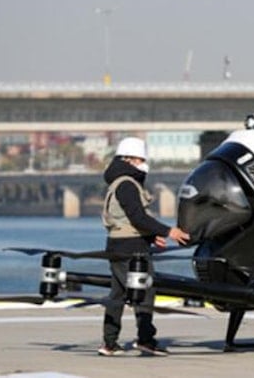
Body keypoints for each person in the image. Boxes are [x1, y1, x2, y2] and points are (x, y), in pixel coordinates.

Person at [98, 137, 190, 357]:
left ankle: (110, 343)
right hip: (131, 248)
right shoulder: (127, 184)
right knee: (144, 291)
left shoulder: (118, 182)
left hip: (118, 245)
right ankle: (146, 340)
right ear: (130, 159)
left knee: (118, 295)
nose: (143, 164)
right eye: (141, 160)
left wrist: (151, 236)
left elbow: (128, 219)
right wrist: (168, 231)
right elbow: (137, 217)